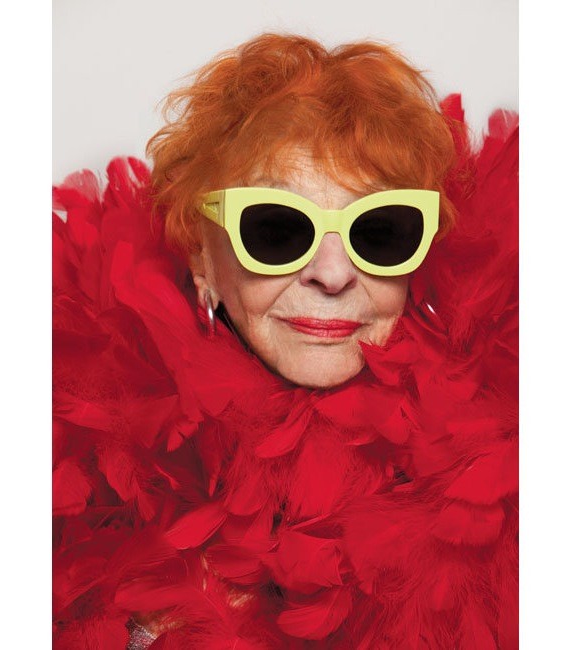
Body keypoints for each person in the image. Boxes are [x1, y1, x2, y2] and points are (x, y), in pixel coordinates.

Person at [53, 34, 518, 649]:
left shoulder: (513, 469)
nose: (332, 274)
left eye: (380, 231)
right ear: (201, 259)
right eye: (275, 229)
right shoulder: (71, 462)